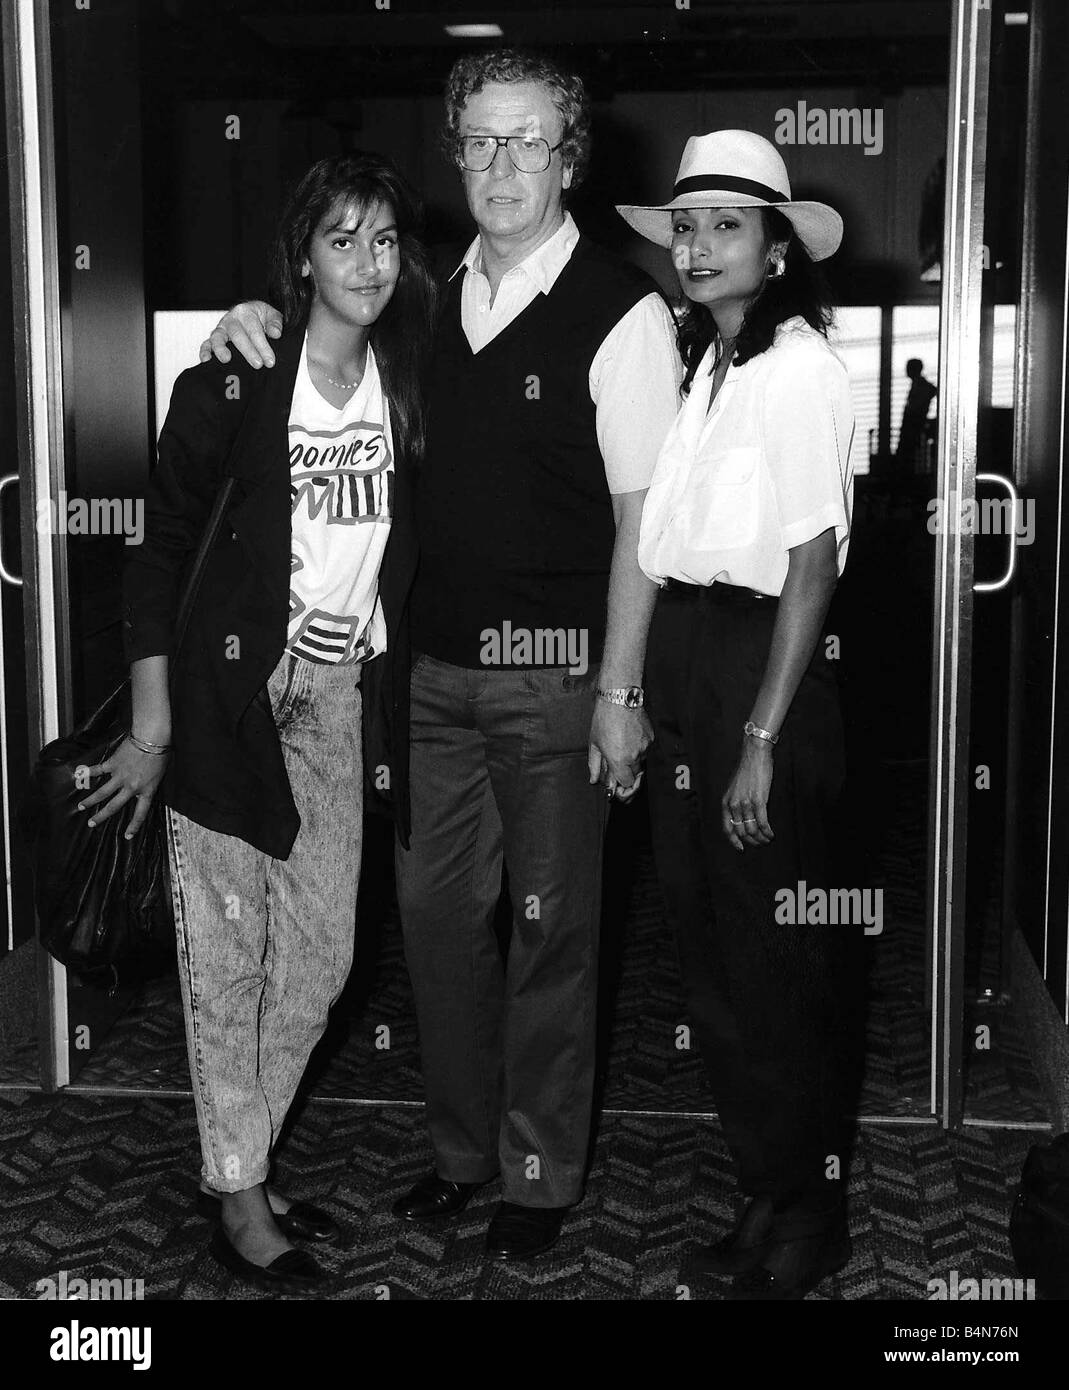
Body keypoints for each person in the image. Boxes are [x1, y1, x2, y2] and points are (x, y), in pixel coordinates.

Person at [202, 47, 682, 1261]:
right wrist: (248, 317)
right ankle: (463, 1155)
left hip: (563, 679)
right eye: (479, 141)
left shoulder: (622, 313)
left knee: (551, 930)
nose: (501, 164)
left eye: (527, 140)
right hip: (420, 683)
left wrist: (622, 690)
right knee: (433, 929)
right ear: (456, 153)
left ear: (569, 157)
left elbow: (643, 529)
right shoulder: (414, 299)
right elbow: (319, 360)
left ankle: (535, 1172)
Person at [82, 153, 435, 1292]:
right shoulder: (233, 382)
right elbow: (159, 554)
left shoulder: (405, 377)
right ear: (301, 258)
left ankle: (233, 1157)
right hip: (227, 699)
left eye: (384, 239)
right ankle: (239, 1194)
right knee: (227, 962)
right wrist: (152, 725)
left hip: (334, 700)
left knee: (323, 959)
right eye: (344, 240)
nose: (369, 263)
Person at [616, 129, 864, 1299]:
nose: (698, 245)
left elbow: (813, 563)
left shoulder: (801, 367)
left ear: (775, 252)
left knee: (781, 967)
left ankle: (810, 1221)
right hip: (689, 662)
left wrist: (759, 739)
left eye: (726, 226)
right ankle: (764, 1194)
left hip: (763, 672)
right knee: (713, 965)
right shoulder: (710, 365)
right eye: (686, 225)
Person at [895, 357, 937, 470]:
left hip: (914, 425)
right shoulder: (917, 385)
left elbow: (917, 406)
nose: (906, 370)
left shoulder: (923, 386)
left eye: (909, 368)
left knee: (911, 456)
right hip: (911, 425)